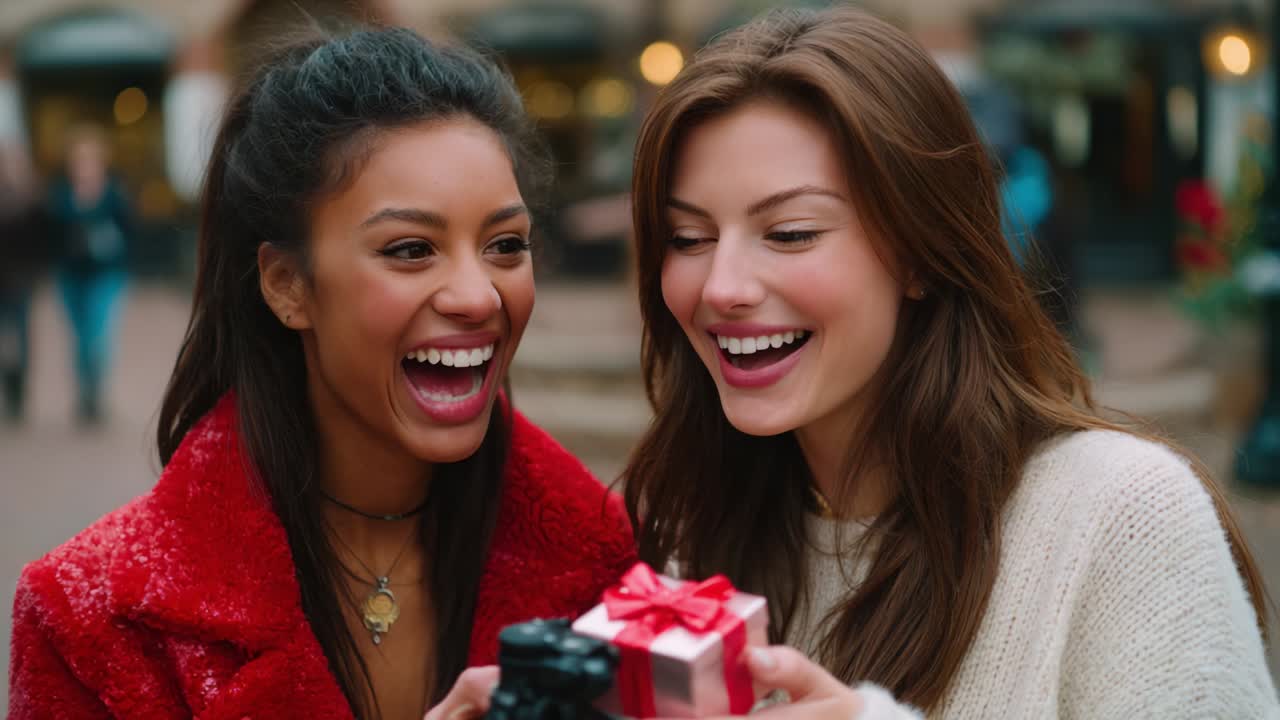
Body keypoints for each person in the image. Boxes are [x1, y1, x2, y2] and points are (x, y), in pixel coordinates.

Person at [623, 7, 1277, 718]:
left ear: (919, 254)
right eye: (688, 237)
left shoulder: (1124, 520)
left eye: (789, 233)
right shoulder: (693, 530)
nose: (720, 287)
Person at [9, 29, 636, 720]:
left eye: (506, 245)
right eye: (410, 249)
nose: (480, 295)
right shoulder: (88, 622)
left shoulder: (606, 561)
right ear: (287, 286)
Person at [46, 124, 134, 424]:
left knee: (99, 334)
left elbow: (129, 230)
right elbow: (50, 234)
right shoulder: (61, 195)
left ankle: (96, 392)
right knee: (79, 337)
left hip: (105, 274)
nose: (84, 166)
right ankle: (84, 391)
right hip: (70, 276)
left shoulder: (113, 193)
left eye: (90, 159)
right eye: (79, 160)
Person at [0, 141, 48, 423]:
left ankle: (19, 390)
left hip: (20, 283)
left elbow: (40, 240)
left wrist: (35, 272)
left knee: (20, 336)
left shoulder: (32, 200)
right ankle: (9, 388)